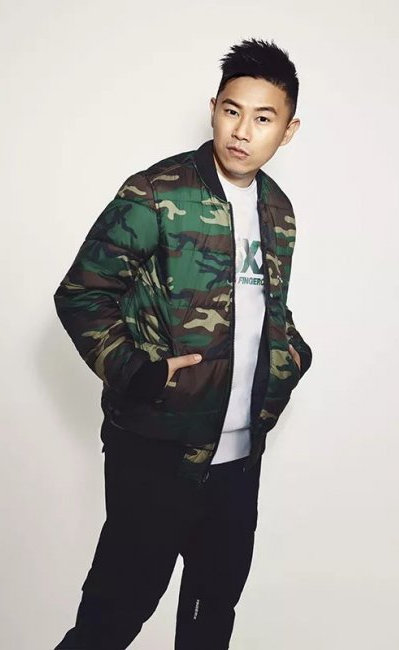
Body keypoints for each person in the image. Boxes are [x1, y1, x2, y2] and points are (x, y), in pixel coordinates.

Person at [52, 37, 312, 650]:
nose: (242, 131)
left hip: (240, 455)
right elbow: (82, 293)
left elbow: (266, 309)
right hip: (157, 447)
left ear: (288, 130)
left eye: (263, 118)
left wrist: (292, 358)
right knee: (114, 616)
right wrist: (136, 370)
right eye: (232, 111)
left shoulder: (278, 211)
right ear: (213, 109)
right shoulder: (156, 193)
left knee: (210, 617)